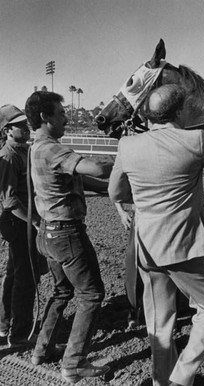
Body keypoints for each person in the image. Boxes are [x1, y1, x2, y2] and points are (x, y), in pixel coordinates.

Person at [108, 84, 204, 386]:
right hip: (185, 246)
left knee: (159, 320)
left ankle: (162, 380)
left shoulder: (127, 145)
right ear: (181, 111)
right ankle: (182, 378)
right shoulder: (195, 139)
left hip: (145, 246)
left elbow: (116, 191)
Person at [25, 91, 113, 383]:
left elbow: (81, 178)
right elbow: (96, 167)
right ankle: (74, 364)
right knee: (91, 294)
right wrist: (125, 159)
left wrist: (108, 186)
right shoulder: (51, 149)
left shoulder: (35, 148)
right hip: (68, 233)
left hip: (48, 233)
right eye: (61, 113)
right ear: (45, 117)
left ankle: (42, 349)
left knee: (62, 291)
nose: (66, 117)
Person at [0, 104, 47, 348]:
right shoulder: (9, 156)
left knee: (14, 274)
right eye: (19, 125)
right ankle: (19, 334)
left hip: (25, 222)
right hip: (21, 223)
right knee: (25, 278)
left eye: (24, 123)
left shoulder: (25, 151)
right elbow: (10, 201)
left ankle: (4, 327)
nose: (25, 127)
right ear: (7, 130)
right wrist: (37, 223)